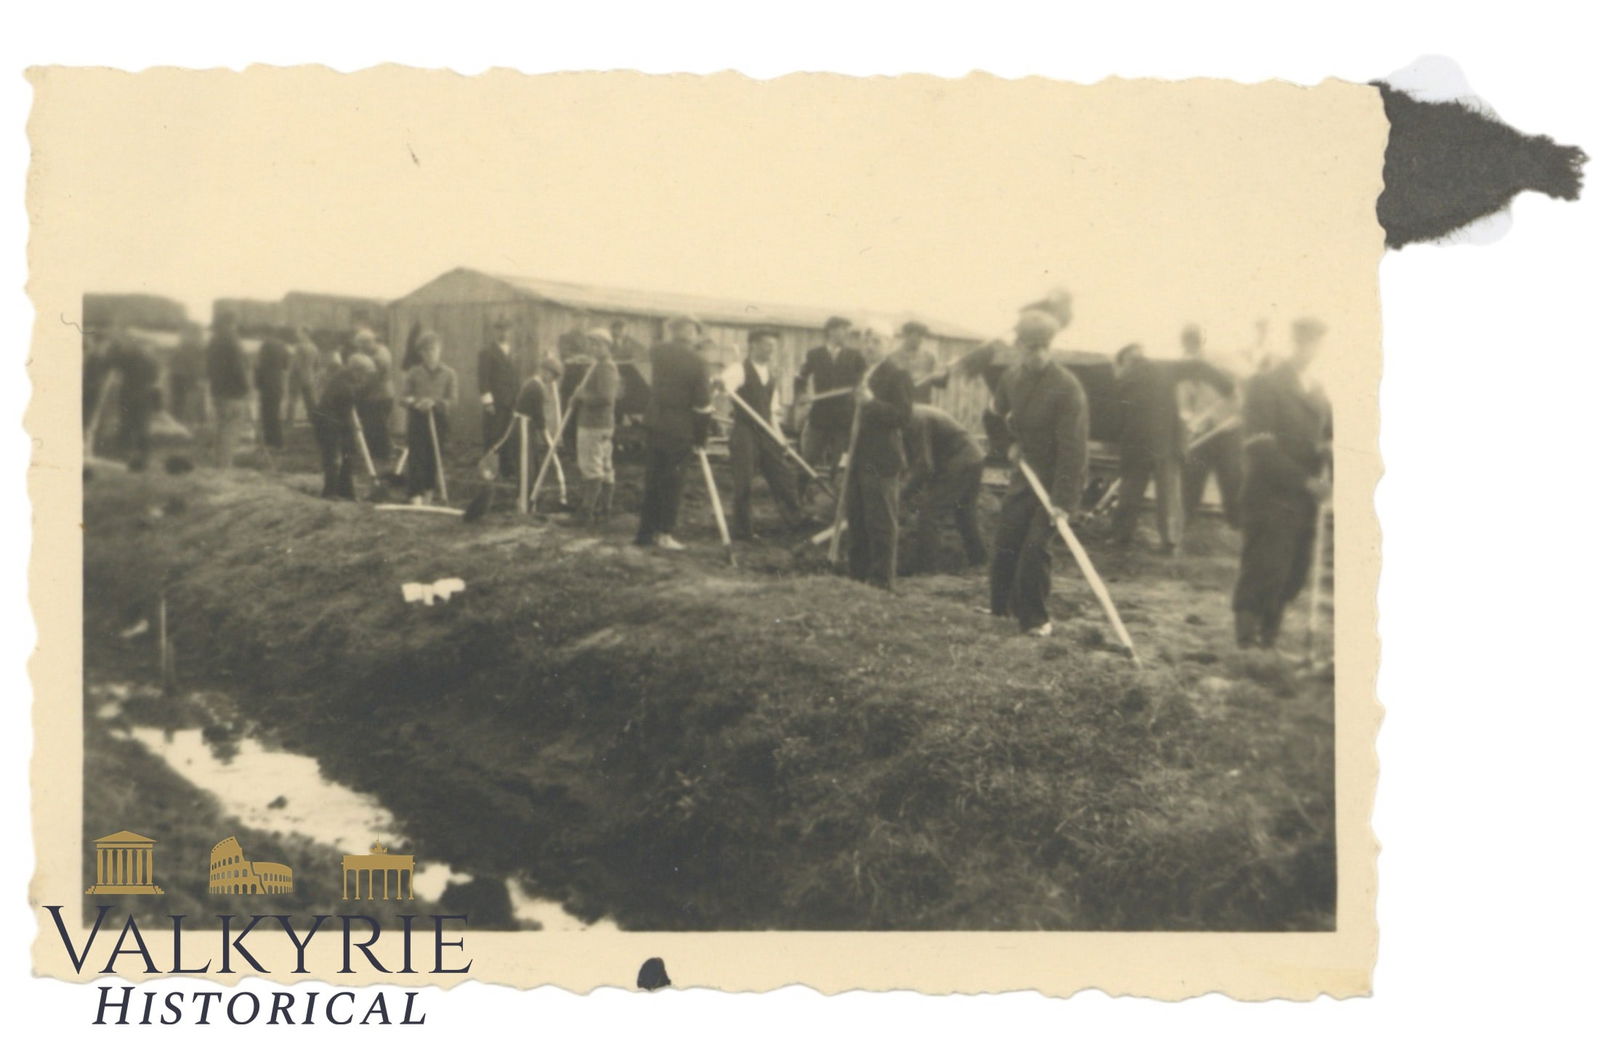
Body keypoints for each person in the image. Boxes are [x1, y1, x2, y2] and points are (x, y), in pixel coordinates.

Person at [987, 309, 1090, 637]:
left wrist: (1062, 500)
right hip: (1025, 473)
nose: (1039, 354)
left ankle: (1035, 620)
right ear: (1018, 346)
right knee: (1006, 541)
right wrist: (1008, 446)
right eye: (1031, 347)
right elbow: (992, 416)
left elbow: (1073, 449)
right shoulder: (1011, 378)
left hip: (1057, 475)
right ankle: (1000, 610)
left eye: (1044, 346)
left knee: (1034, 549)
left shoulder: (1066, 387)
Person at [1231, 317, 1332, 650]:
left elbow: (1329, 435)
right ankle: (1247, 641)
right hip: (1269, 495)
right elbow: (1259, 446)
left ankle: (1269, 638)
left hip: (1303, 502)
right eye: (1306, 342)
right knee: (1264, 568)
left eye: (1317, 343)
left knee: (1294, 573)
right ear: (1294, 342)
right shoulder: (1265, 384)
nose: (1311, 350)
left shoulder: (1319, 392)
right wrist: (1304, 480)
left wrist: (1329, 450)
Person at [1108, 342, 1236, 551]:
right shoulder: (1163, 368)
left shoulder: (1123, 381)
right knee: (1168, 494)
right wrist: (1226, 387)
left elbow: (1115, 418)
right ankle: (1170, 541)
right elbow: (1199, 366)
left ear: (1124, 361)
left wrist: (1117, 443)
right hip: (1165, 443)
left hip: (1135, 444)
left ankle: (1120, 538)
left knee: (1130, 490)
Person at [843, 323, 915, 589]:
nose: (869, 347)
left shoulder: (897, 375)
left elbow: (903, 417)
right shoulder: (864, 374)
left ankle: (882, 581)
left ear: (888, 344)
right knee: (857, 518)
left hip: (882, 458)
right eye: (866, 341)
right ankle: (857, 577)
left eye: (876, 341)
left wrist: (872, 403)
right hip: (858, 456)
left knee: (881, 522)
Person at [635, 315, 714, 550]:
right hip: (680, 428)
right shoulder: (698, 361)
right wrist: (701, 437)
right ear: (694, 333)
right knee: (673, 483)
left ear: (672, 331)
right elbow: (702, 403)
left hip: (655, 423)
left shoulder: (658, 352)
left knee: (653, 481)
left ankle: (645, 534)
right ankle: (665, 533)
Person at [720, 327, 806, 541]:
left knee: (783, 475)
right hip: (745, 431)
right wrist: (720, 385)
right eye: (767, 345)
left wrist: (780, 437)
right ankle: (743, 530)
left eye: (774, 346)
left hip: (767, 431)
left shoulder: (771, 374)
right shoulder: (738, 369)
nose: (771, 350)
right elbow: (722, 388)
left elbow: (772, 411)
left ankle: (796, 521)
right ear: (753, 345)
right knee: (744, 482)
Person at [902, 403, 987, 574]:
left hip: (961, 460)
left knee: (929, 514)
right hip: (973, 458)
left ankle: (926, 571)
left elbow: (925, 466)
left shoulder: (915, 419)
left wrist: (903, 494)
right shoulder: (914, 414)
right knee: (964, 513)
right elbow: (917, 460)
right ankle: (979, 561)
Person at [1177, 324, 1245, 527]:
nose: (1192, 348)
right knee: (1191, 477)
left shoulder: (1222, 359)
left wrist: (1221, 413)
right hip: (1202, 433)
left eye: (1195, 343)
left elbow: (1243, 385)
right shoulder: (1184, 365)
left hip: (1229, 430)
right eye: (1188, 344)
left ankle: (1236, 526)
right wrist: (1190, 422)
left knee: (1232, 478)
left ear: (1201, 341)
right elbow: (1184, 400)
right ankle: (1184, 524)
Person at [796, 315, 865, 502]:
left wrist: (860, 390)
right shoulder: (815, 354)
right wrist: (801, 394)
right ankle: (796, 499)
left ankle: (836, 504)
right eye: (843, 329)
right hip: (820, 416)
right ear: (831, 331)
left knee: (840, 465)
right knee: (807, 459)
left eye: (848, 330)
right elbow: (800, 377)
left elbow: (865, 380)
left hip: (845, 418)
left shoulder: (855, 356)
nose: (846, 334)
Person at [400, 332, 458, 503]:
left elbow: (453, 400)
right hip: (418, 419)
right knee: (417, 455)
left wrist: (435, 403)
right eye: (425, 351)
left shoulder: (449, 374)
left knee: (435, 455)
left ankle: (429, 490)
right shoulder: (414, 372)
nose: (430, 354)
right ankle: (415, 494)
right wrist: (416, 402)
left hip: (439, 419)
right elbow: (403, 397)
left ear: (440, 350)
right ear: (421, 354)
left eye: (433, 349)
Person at [312, 353, 377, 500]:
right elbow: (348, 405)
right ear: (356, 371)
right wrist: (356, 430)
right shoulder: (343, 385)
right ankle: (330, 493)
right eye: (364, 374)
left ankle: (346, 492)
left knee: (347, 455)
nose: (365, 379)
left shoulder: (347, 379)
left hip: (338, 421)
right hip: (327, 423)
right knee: (334, 458)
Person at [572, 331, 620, 521]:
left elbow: (606, 398)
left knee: (591, 466)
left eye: (598, 345)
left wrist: (581, 396)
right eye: (591, 344)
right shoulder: (597, 365)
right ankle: (604, 509)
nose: (593, 348)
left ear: (607, 346)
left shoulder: (606, 368)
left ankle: (586, 513)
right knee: (605, 467)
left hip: (593, 424)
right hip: (601, 424)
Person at [105, 331, 160, 467]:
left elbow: (113, 362)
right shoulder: (152, 359)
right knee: (143, 425)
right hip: (145, 395)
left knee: (127, 423)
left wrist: (115, 345)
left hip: (129, 394)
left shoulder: (130, 356)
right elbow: (155, 379)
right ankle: (144, 455)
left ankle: (124, 452)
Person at [206, 312, 251, 468]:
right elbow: (239, 368)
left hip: (217, 391)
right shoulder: (233, 341)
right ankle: (224, 467)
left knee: (220, 427)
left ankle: (218, 463)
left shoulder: (213, 340)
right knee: (231, 430)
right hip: (233, 393)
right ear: (231, 323)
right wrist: (246, 388)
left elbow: (208, 367)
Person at [478, 319, 519, 479]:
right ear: (495, 332)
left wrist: (517, 399)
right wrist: (488, 401)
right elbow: (483, 379)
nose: (504, 333)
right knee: (493, 434)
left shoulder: (513, 352)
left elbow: (515, 378)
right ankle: (489, 470)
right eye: (500, 330)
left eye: (507, 330)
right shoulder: (487, 352)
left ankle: (507, 469)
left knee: (508, 434)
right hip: (495, 403)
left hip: (510, 401)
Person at [351, 327, 395, 463]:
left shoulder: (380, 356)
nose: (360, 350)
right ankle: (375, 453)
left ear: (369, 342)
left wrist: (357, 391)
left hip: (380, 395)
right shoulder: (378, 351)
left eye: (362, 346)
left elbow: (371, 379)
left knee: (379, 425)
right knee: (372, 425)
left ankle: (386, 454)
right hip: (375, 394)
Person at [285, 326, 333, 427]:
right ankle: (314, 422)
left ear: (305, 334)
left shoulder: (299, 346)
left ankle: (289, 422)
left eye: (299, 333)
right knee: (310, 401)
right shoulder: (314, 347)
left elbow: (295, 364)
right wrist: (313, 374)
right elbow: (317, 364)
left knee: (292, 399)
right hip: (309, 377)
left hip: (297, 377)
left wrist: (290, 375)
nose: (297, 335)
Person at [254, 328, 292, 451]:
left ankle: (271, 441)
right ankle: (277, 442)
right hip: (278, 382)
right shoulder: (282, 345)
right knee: (275, 412)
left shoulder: (265, 346)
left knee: (266, 413)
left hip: (266, 383)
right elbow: (286, 365)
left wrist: (257, 384)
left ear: (265, 334)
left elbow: (259, 366)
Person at [168, 323, 207, 427]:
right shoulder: (195, 349)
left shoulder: (180, 349)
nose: (201, 337)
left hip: (181, 382)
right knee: (191, 412)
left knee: (179, 410)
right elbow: (198, 368)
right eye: (199, 334)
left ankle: (182, 427)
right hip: (190, 384)